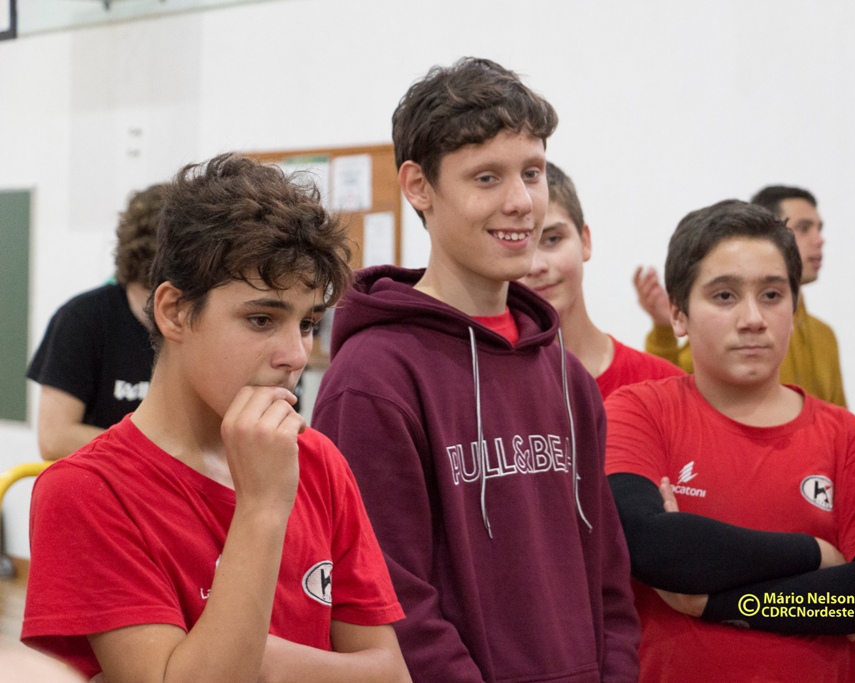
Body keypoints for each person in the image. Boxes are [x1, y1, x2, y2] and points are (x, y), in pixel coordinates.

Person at [311, 58, 640, 683]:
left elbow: (609, 583)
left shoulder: (567, 377)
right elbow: (388, 602)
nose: (520, 202)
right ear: (419, 186)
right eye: (487, 177)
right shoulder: (372, 380)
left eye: (532, 173)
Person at [22, 154, 410, 683]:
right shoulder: (87, 491)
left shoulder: (318, 461)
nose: (295, 355)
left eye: (307, 323)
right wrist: (263, 506)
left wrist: (258, 659)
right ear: (175, 311)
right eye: (261, 319)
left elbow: (392, 674)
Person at [607, 200, 855, 682]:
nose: (752, 318)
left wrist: (718, 602)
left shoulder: (845, 436)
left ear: (794, 306)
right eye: (724, 296)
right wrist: (815, 554)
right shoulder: (639, 412)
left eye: (771, 294)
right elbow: (653, 547)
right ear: (678, 314)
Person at [634, 186, 846, 406]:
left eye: (771, 295)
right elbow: (668, 391)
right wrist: (663, 330)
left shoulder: (825, 336)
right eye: (803, 228)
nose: (819, 240)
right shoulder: (720, 336)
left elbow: (839, 415)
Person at [520, 161, 683, 398]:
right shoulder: (483, 389)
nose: (537, 266)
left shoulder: (663, 385)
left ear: (585, 241)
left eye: (552, 239)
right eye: (518, 244)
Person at [27, 183, 165, 460]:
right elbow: (54, 438)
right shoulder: (81, 318)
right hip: (105, 477)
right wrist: (156, 452)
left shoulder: (204, 323)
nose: (167, 316)